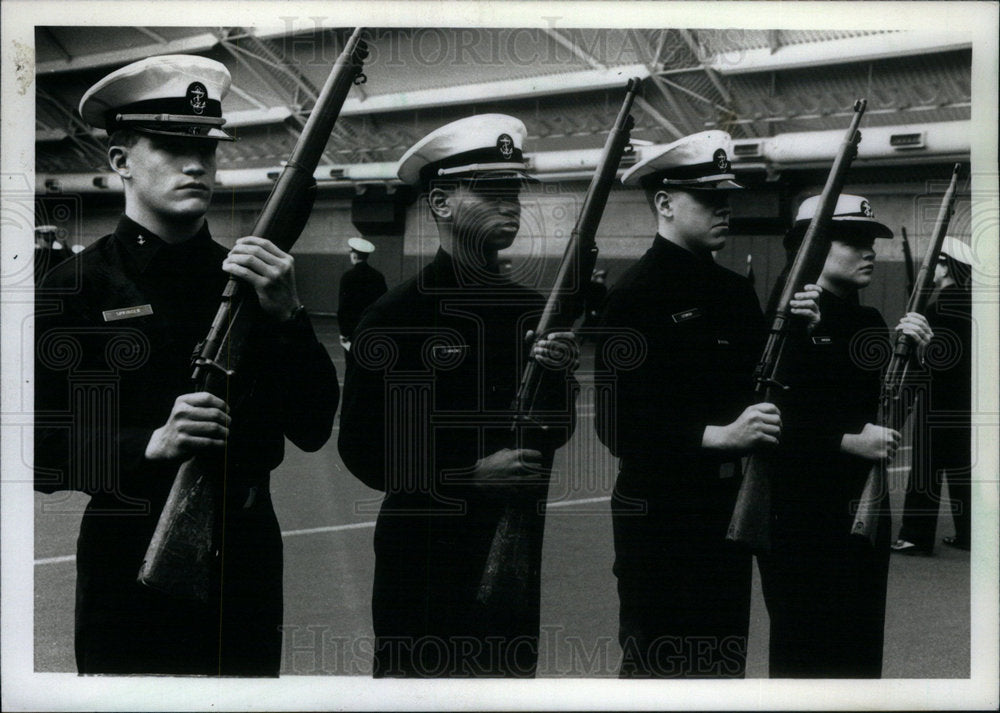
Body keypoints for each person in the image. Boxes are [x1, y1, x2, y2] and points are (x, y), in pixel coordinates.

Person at [33, 55, 339, 676]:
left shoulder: (255, 280)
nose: (197, 163)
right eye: (172, 147)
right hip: (131, 556)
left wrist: (288, 314)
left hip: (247, 556)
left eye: (207, 147)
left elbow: (311, 426)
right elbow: (35, 448)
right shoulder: (74, 288)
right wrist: (148, 443)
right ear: (120, 161)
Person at [338, 114, 579, 677]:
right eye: (492, 191)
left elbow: (556, 429)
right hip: (424, 556)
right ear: (441, 203)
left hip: (513, 545)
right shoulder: (397, 315)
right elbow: (363, 449)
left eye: (514, 190)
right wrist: (468, 474)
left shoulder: (530, 310)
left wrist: (557, 380)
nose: (511, 204)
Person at [594, 130, 820, 678]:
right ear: (666, 204)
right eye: (708, 198)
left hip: (726, 509)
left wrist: (797, 338)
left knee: (721, 664)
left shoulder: (732, 291)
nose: (725, 207)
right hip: (660, 515)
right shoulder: (634, 295)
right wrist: (716, 436)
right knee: (660, 665)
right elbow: (617, 422)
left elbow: (755, 391)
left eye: (728, 196)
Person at [755, 194, 932, 678]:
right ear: (810, 248)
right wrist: (843, 440)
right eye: (853, 240)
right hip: (801, 515)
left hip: (863, 511)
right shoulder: (778, 322)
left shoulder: (868, 322)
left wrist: (913, 359)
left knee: (859, 651)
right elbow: (766, 420)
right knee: (804, 654)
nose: (869, 251)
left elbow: (892, 417)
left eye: (871, 240)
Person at [892, 236, 974, 555]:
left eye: (938, 262)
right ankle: (969, 533)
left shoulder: (938, 307)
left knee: (925, 470)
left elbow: (933, 360)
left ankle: (915, 535)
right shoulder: (969, 304)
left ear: (945, 266)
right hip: (964, 402)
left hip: (937, 399)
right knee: (961, 470)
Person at [337, 236, 387, 360]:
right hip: (372, 328)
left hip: (353, 330)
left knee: (352, 363)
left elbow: (343, 307)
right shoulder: (378, 276)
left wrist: (344, 332)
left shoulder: (347, 277)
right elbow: (383, 303)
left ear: (354, 256)